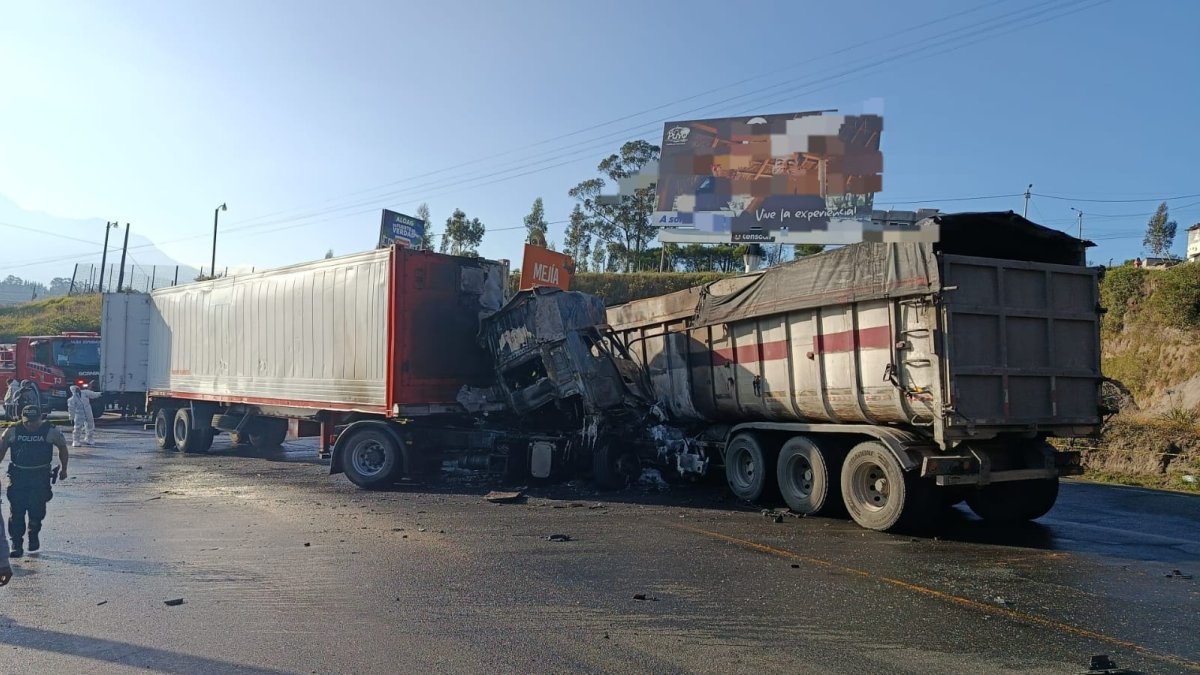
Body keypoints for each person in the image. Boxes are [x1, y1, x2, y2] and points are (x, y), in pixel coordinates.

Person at [0, 405, 69, 558]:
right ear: (22, 418)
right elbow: (2, 449)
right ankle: (16, 544)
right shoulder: (13, 430)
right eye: (27, 422)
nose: (31, 425)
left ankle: (34, 533)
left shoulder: (50, 430)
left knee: (37, 509)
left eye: (34, 422)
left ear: (40, 418)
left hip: (40, 476)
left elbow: (63, 447)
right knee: (17, 511)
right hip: (19, 476)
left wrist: (64, 469)